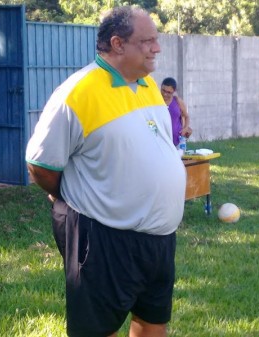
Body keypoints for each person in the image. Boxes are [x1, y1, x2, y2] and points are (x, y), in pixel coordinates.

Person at [25, 6, 186, 337]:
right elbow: (41, 165)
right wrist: (65, 195)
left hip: (159, 239)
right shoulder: (78, 92)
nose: (157, 48)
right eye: (148, 41)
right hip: (104, 237)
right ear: (118, 44)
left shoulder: (149, 85)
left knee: (152, 319)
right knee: (97, 329)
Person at [161, 77, 192, 147]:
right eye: (163, 90)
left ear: (174, 91)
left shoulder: (177, 101)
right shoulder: (156, 102)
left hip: (178, 142)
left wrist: (185, 128)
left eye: (169, 92)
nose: (165, 94)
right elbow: (150, 120)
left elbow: (186, 116)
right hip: (161, 142)